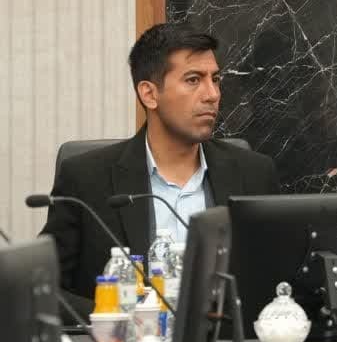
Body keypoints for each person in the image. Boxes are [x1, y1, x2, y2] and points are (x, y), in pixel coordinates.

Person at [41, 23, 279, 319]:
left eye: (215, 79)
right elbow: (43, 289)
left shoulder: (254, 173)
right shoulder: (86, 180)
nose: (212, 94)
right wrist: (117, 316)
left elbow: (279, 280)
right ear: (149, 94)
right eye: (193, 80)